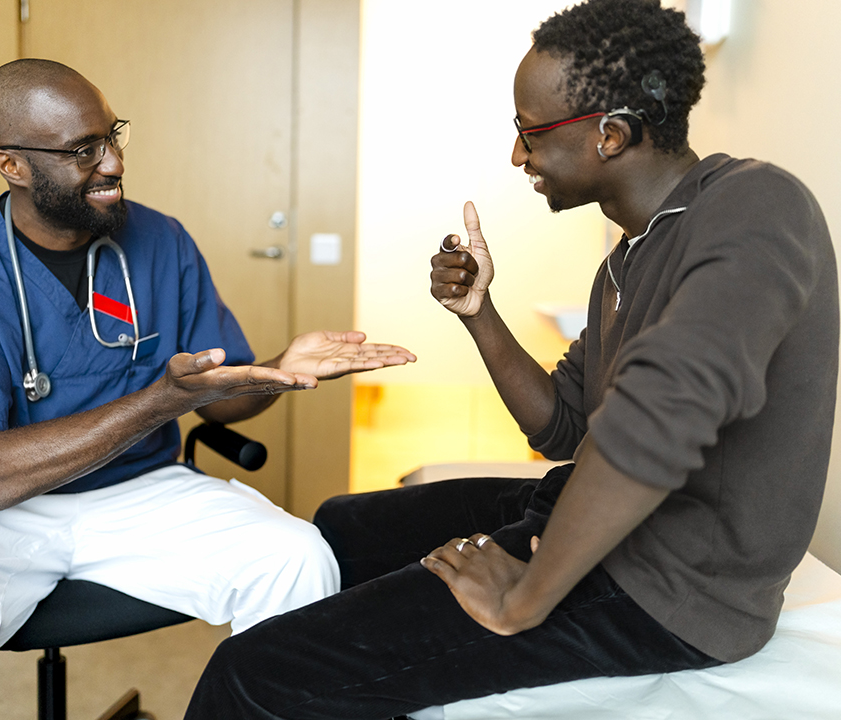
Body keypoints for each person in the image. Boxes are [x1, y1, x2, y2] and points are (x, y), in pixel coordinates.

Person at [182, 0, 839, 718]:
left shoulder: (757, 206)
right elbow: (564, 428)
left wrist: (525, 597)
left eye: (530, 133)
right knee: (338, 528)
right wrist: (479, 314)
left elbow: (660, 416)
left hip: (668, 594)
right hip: (595, 526)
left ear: (610, 136)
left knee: (249, 675)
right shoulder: (626, 260)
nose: (518, 156)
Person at [0, 58, 415, 720]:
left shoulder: (161, 239)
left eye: (113, 135)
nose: (112, 163)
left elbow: (217, 394)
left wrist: (278, 369)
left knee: (297, 558)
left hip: (137, 490)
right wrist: (161, 401)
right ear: (11, 165)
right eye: (83, 150)